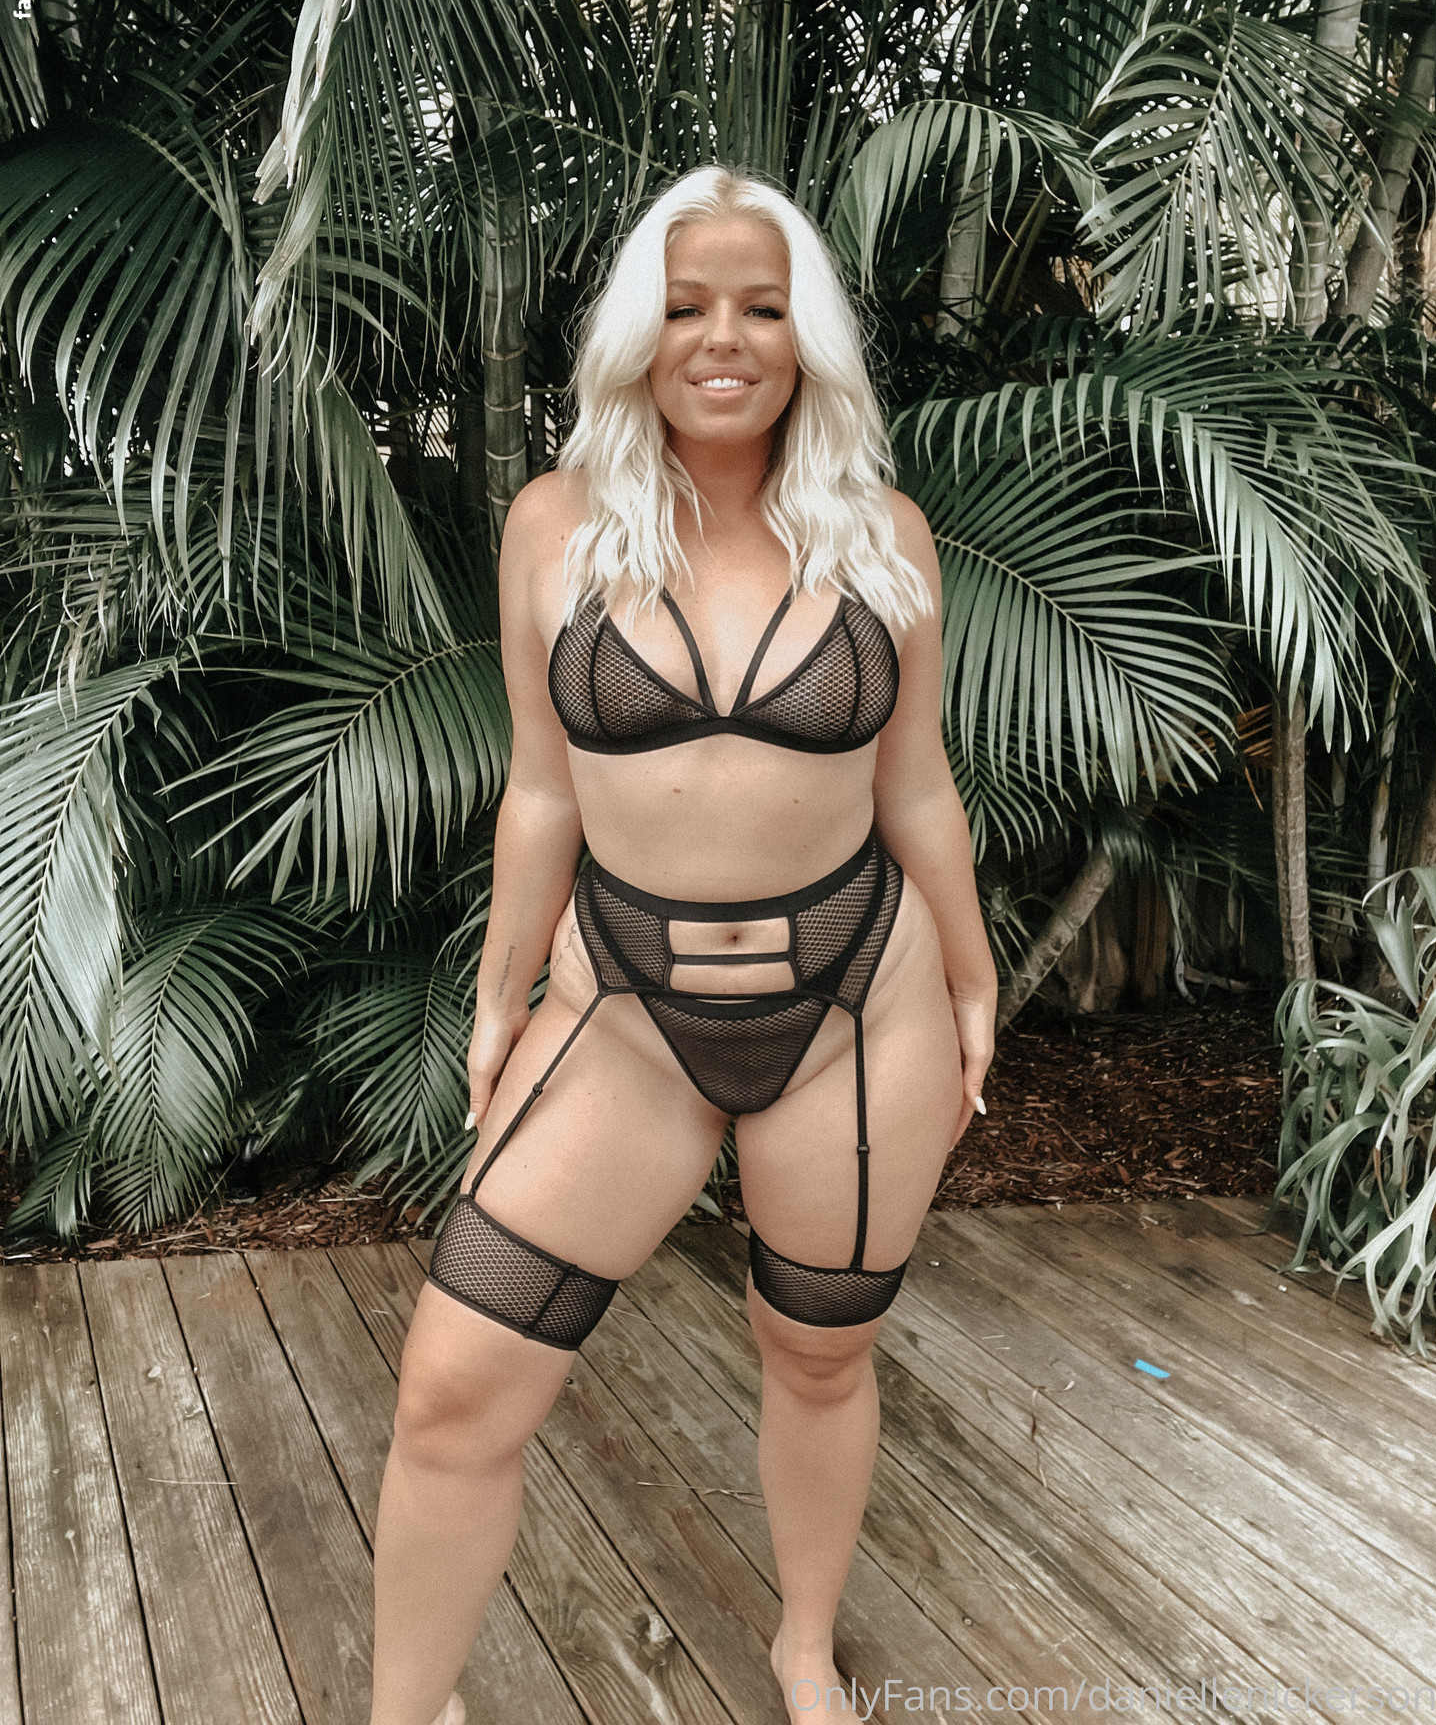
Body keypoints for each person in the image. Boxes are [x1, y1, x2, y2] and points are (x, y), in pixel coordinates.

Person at [368, 166, 997, 1725]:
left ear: (808, 340)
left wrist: (975, 973)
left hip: (858, 1004)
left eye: (763, 309)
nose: (725, 339)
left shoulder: (886, 536)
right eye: (689, 305)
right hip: (625, 1012)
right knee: (453, 1389)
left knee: (820, 1353)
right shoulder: (555, 526)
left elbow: (917, 781)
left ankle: (803, 1651)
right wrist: (499, 996)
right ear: (638, 334)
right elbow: (539, 787)